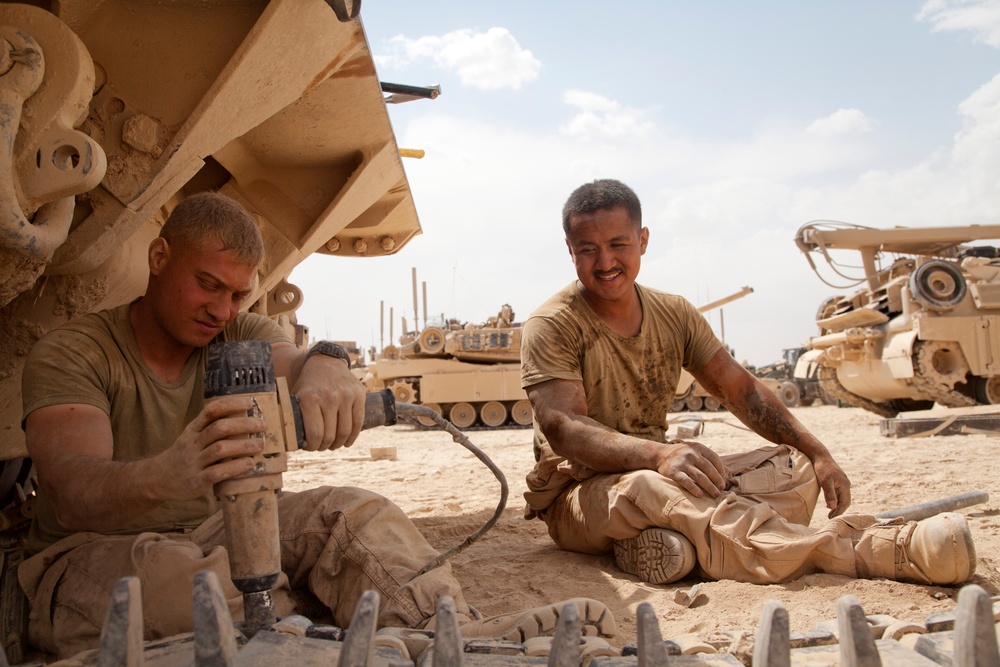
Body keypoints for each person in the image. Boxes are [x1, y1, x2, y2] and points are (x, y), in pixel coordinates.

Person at [18, 191, 615, 658]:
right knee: (188, 588)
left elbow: (299, 361)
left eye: (238, 294)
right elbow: (73, 495)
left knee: (355, 516)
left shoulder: (239, 333)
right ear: (159, 258)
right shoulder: (77, 353)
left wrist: (327, 367)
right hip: (91, 555)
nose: (221, 310)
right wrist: (169, 474)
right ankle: (303, 633)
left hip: (217, 534)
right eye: (208, 285)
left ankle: (453, 634)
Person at [519, 178, 977, 587]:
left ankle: (682, 543)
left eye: (618, 244)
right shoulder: (552, 324)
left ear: (643, 240)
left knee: (793, 466)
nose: (605, 262)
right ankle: (871, 550)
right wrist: (659, 455)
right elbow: (563, 426)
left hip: (663, 473)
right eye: (588, 250)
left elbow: (743, 391)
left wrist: (819, 453)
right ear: (570, 249)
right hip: (579, 495)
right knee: (650, 490)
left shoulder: (674, 312)